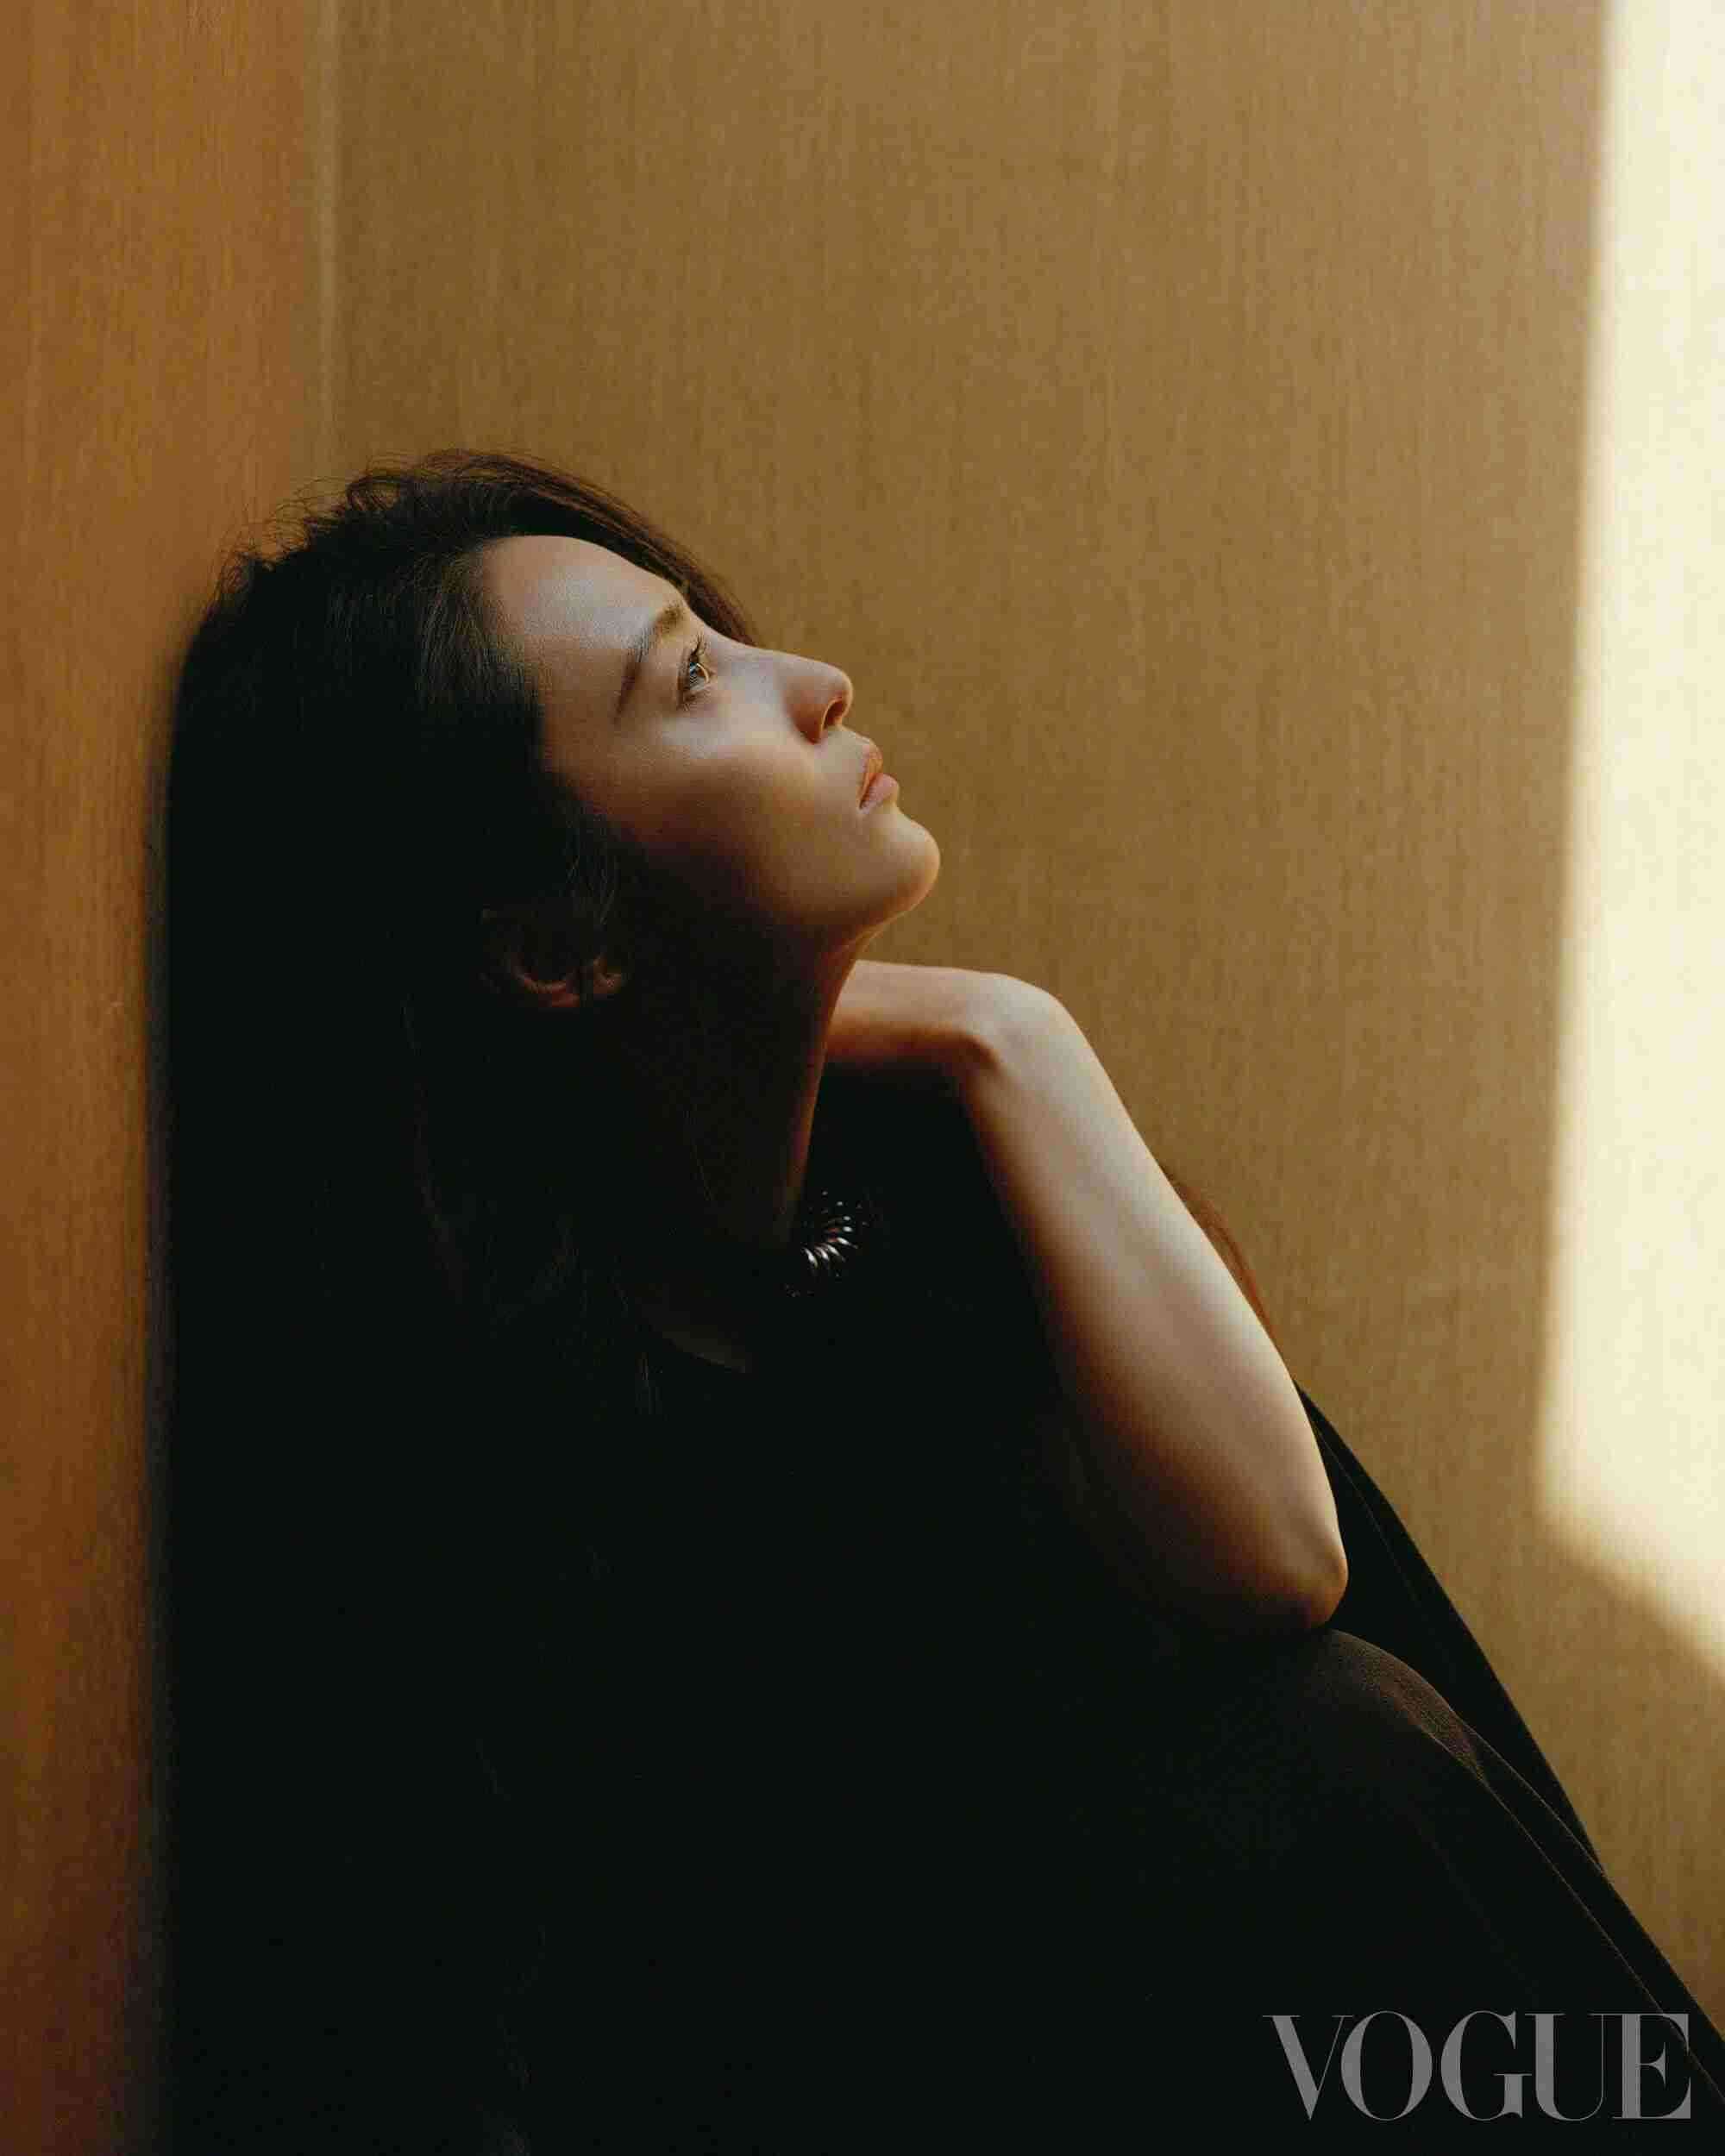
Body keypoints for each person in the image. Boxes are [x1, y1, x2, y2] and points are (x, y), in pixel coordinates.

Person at [163, 451, 1725, 2150]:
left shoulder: (923, 1190)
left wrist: (1007, 1032)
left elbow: (1283, 1554)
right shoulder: (520, 1446)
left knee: (1332, 1739)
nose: (813, 683)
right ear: (552, 940)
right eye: (691, 683)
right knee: (1324, 1763)